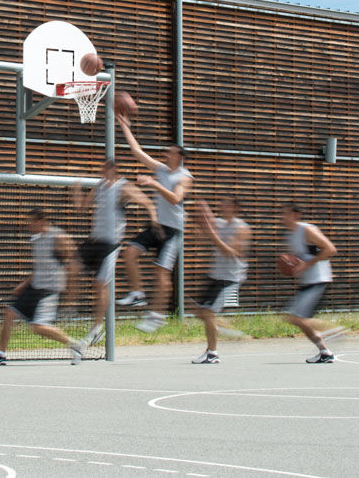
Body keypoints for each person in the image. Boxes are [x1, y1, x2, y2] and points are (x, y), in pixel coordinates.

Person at [115, 113, 193, 333]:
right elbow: (137, 152)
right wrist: (124, 126)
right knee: (129, 252)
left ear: (178, 156)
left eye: (169, 152)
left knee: (161, 274)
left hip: (173, 231)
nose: (165, 154)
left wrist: (152, 183)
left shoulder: (185, 177)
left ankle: (156, 315)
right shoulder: (161, 169)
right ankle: (137, 294)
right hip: (157, 227)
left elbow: (176, 199)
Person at [0, 208, 86, 366]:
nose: (28, 225)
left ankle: (76, 345)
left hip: (49, 289)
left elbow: (72, 263)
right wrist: (24, 284)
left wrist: (71, 294)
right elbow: (39, 267)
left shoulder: (59, 237)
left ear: (41, 221)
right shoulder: (35, 240)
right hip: (34, 287)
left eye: (31, 222)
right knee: (9, 313)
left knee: (37, 327)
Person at [71, 159, 159, 345]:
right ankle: (71, 309)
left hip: (110, 244)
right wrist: (77, 191)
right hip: (94, 240)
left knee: (101, 284)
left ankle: (96, 328)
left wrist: (154, 221)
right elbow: (81, 209)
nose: (101, 171)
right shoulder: (99, 187)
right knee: (71, 268)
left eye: (103, 168)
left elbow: (147, 203)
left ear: (112, 169)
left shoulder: (123, 187)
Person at [192, 196, 251, 364]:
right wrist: (199, 220)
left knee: (208, 313)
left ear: (234, 207)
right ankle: (228, 330)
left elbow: (230, 251)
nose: (221, 206)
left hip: (230, 277)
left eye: (225, 203)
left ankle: (212, 353)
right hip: (216, 275)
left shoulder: (241, 228)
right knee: (200, 312)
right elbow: (200, 236)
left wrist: (211, 233)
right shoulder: (219, 223)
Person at [281, 203, 339, 363]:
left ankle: (332, 332)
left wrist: (306, 264)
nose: (282, 217)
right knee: (294, 318)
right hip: (307, 280)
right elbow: (300, 257)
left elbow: (330, 249)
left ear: (295, 215)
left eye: (285, 214)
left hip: (318, 278)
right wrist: (292, 264)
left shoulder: (306, 230)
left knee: (297, 318)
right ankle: (325, 352)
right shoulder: (291, 234)